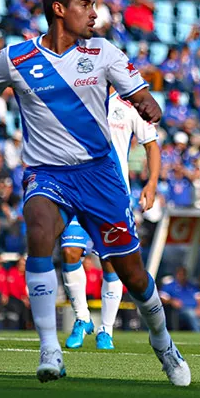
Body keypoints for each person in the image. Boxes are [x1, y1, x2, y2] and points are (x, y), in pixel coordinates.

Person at [0, 0, 189, 385]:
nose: (95, 13)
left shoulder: (104, 51)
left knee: (133, 275)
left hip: (99, 176)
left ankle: (163, 343)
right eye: (86, 5)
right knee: (39, 233)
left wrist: (148, 102)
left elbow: (141, 93)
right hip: (47, 174)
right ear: (59, 10)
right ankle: (49, 350)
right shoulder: (15, 58)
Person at [61, 91, 161, 350]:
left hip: (113, 196)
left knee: (111, 263)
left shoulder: (129, 104)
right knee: (70, 252)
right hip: (78, 191)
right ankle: (82, 318)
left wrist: (151, 183)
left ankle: (106, 329)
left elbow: (151, 145)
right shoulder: (76, 96)